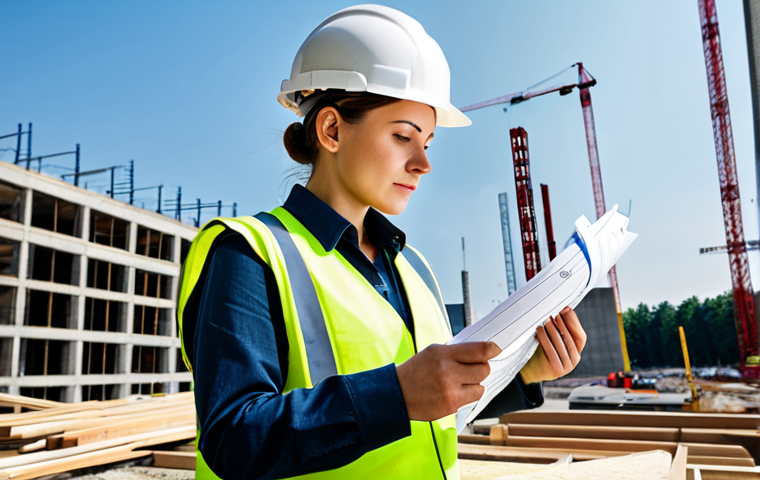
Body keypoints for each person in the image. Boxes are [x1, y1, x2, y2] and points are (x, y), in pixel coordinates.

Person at [177, 5, 587, 479]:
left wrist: (525, 375)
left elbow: (436, 415)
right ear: (331, 130)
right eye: (402, 137)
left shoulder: (414, 269)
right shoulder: (249, 255)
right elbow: (234, 439)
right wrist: (395, 396)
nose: (422, 163)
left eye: (428, 143)